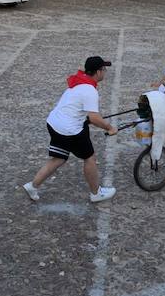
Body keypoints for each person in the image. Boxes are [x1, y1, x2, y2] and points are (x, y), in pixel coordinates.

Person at [22, 56, 118, 204]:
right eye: (104, 69)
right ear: (98, 72)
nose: (105, 72)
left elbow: (75, 108)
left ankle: (33, 186)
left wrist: (83, 120)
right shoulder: (90, 90)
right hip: (69, 130)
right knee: (89, 158)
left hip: (54, 123)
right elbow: (94, 118)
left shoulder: (78, 82)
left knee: (59, 158)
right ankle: (96, 193)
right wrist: (110, 127)